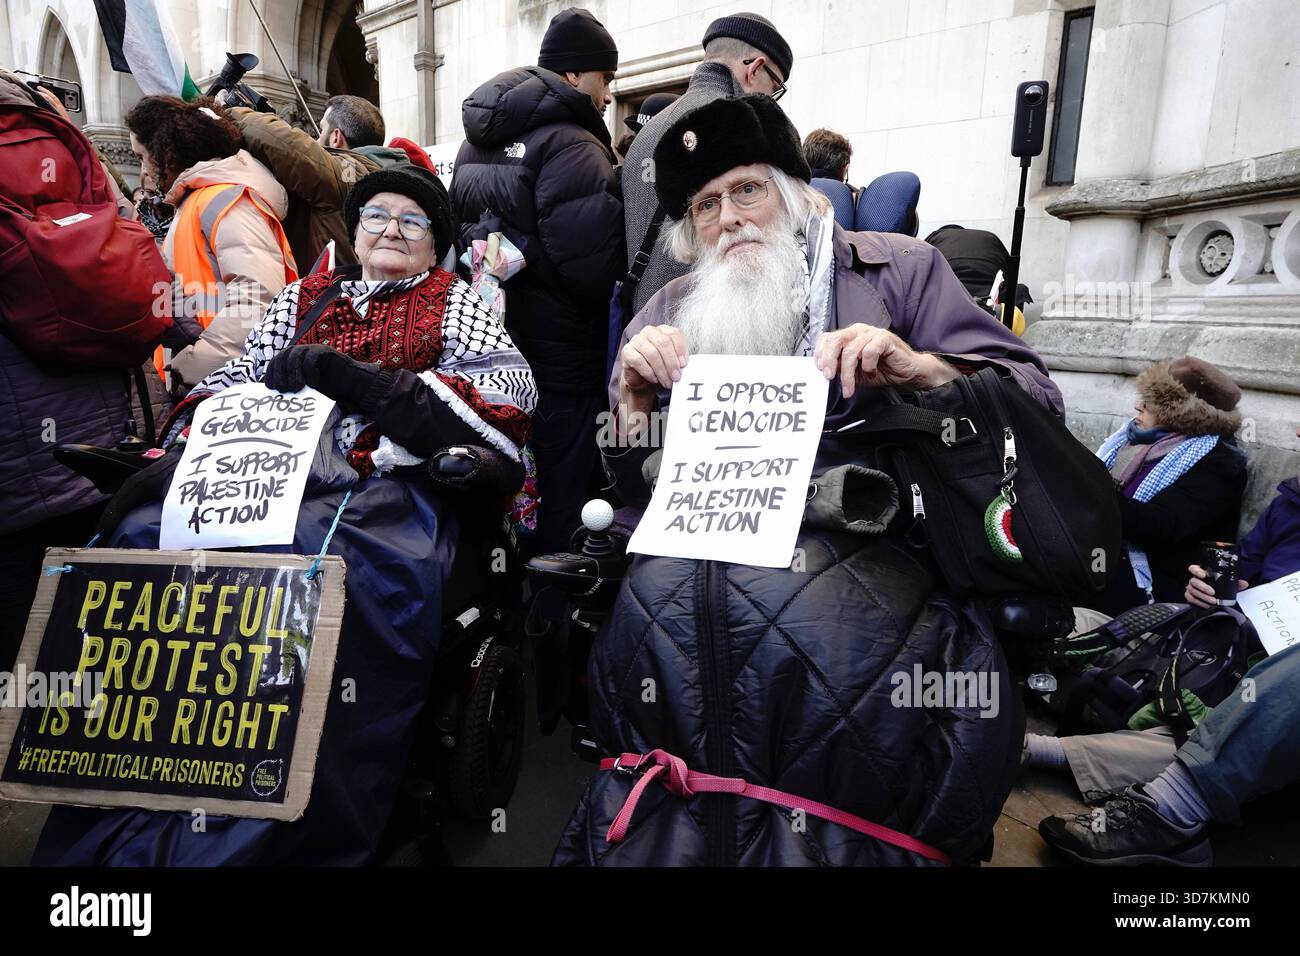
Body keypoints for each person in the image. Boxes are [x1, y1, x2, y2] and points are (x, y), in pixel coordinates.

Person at [552, 95, 1063, 867]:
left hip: (870, 570)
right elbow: (631, 473)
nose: (730, 217)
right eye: (706, 204)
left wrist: (921, 370)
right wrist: (630, 399)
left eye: (747, 190)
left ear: (794, 194)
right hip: (691, 571)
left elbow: (1035, 399)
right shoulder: (668, 307)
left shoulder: (902, 271)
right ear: (692, 233)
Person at [33, 163, 537, 866]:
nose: (392, 229)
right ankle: (148, 775)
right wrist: (190, 445)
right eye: (376, 217)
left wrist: (361, 386)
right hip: (270, 472)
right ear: (354, 234)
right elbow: (242, 376)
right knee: (145, 534)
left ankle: (275, 821)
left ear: (434, 244)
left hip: (382, 486)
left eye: (412, 221)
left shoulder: (452, 301)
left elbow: (505, 399)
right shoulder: (305, 296)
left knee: (323, 571)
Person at [1022, 427, 1300, 821]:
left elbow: (1161, 524)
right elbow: (1244, 572)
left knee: (1216, 743)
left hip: (1266, 680)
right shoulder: (1290, 501)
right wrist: (1208, 587)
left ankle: (1036, 749)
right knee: (1071, 623)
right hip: (1213, 641)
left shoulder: (1219, 465)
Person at [0, 68, 169, 672]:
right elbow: (125, 243)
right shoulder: (40, 108)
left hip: (16, 475)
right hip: (104, 442)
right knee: (94, 648)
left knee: (22, 666)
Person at [450, 6, 625, 553]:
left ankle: (499, 597)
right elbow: (593, 267)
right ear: (574, 75)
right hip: (561, 358)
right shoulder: (574, 143)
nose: (608, 95)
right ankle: (555, 611)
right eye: (605, 79)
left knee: (501, 468)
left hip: (493, 347)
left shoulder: (473, 142)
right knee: (563, 484)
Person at [621, 12, 794, 318]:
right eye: (775, 86)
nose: (772, 98)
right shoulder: (739, 130)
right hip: (706, 328)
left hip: (644, 327)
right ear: (756, 69)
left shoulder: (646, 133)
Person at [126, 96, 298, 392]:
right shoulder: (201, 200)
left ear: (165, 153)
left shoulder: (225, 199)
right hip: (215, 379)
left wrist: (196, 365)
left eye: (142, 157)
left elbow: (258, 300)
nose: (143, 171)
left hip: (225, 384)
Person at [1090, 357, 1247, 615]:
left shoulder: (1219, 463)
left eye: (1151, 403)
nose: (1138, 406)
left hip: (1152, 582)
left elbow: (1160, 525)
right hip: (1105, 554)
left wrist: (1086, 486)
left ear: (1179, 415)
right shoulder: (1129, 441)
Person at [224, 94, 384, 269]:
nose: (315, 140)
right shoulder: (374, 175)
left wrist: (230, 113)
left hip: (328, 294)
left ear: (336, 137)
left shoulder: (348, 173)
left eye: (321, 130)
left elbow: (281, 142)